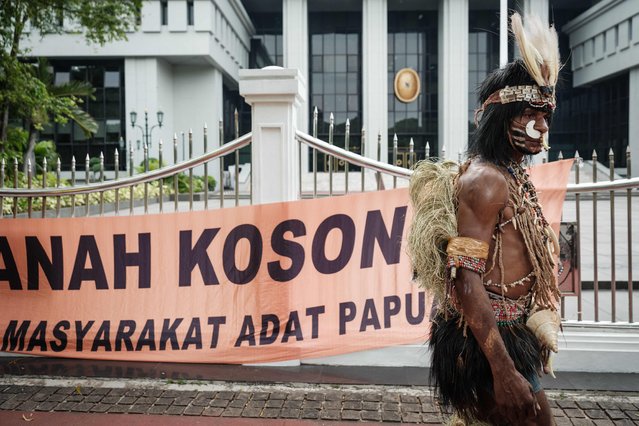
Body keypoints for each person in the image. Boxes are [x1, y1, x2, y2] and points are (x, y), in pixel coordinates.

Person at [408, 13, 562, 426]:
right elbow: (466, 278)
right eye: (531, 114)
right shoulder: (487, 181)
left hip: (510, 336)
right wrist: (502, 369)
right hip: (486, 344)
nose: (542, 127)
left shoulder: (512, 174)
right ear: (501, 116)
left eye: (547, 115)